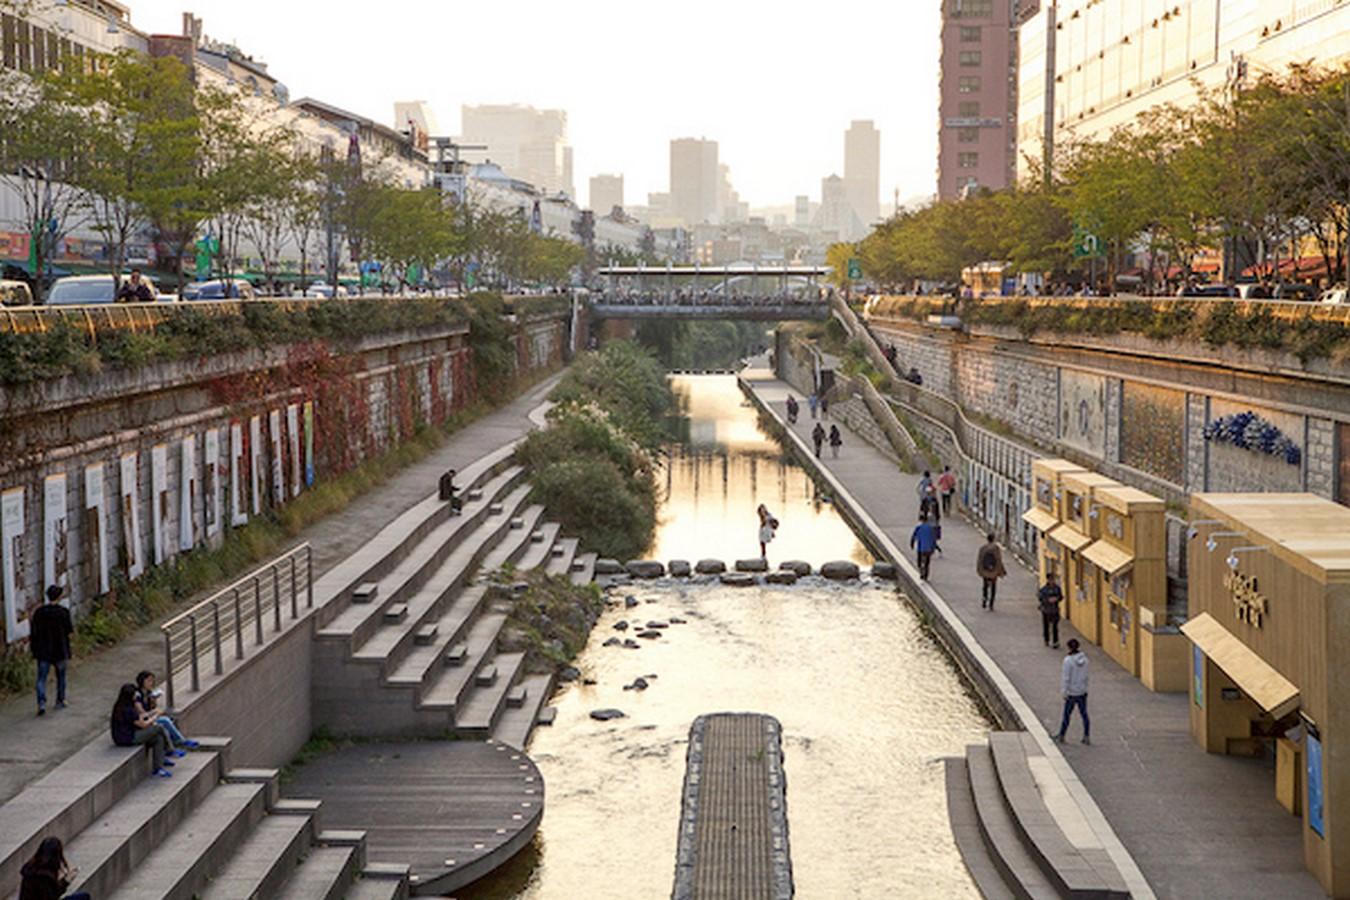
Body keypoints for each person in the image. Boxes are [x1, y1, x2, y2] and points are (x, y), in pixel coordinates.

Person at [110, 683, 173, 777]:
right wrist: (155, 717)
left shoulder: (121, 706)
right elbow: (143, 725)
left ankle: (158, 767)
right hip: (128, 738)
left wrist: (151, 713)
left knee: (158, 738)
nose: (136, 696)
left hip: (125, 735)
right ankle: (169, 749)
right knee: (158, 728)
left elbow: (139, 717)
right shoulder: (127, 710)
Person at [31, 584, 72, 717]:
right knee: (61, 677)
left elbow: (34, 632)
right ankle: (60, 700)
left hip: (43, 650)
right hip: (60, 649)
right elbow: (69, 630)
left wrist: (34, 648)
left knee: (41, 678)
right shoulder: (63, 612)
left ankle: (41, 703)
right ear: (59, 597)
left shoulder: (39, 613)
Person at [134, 671, 198, 752]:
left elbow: (152, 708)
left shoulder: (149, 693)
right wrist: (155, 714)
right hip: (142, 721)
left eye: (152, 681)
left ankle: (176, 742)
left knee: (170, 719)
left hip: (149, 718)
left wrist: (154, 700)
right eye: (149, 681)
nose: (151, 683)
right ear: (142, 681)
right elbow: (141, 712)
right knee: (165, 721)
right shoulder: (137, 695)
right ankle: (180, 742)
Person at [19, 836, 90, 900]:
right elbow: (53, 896)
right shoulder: (45, 876)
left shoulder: (30, 868)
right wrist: (66, 881)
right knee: (84, 897)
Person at [1056, 639, 1091, 745]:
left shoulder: (1068, 661)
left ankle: (1062, 735)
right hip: (1082, 691)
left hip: (1071, 692)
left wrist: (1064, 691)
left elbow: (1066, 678)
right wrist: (1085, 688)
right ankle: (1086, 736)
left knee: (1067, 715)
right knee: (1084, 714)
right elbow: (1086, 676)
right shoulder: (1085, 660)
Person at [976, 533, 1006, 610]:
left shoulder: (982, 548)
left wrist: (979, 570)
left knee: (985, 586)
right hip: (993, 571)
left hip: (985, 570)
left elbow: (980, 559)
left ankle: (984, 599)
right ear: (993, 539)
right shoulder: (996, 548)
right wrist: (1001, 571)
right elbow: (999, 560)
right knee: (993, 587)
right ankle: (991, 604)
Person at [910, 514, 939, 580]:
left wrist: (912, 544)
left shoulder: (919, 527)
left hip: (921, 548)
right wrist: (933, 547)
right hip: (929, 548)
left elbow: (913, 536)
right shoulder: (931, 528)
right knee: (927, 562)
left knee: (919, 561)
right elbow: (934, 539)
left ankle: (922, 572)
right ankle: (925, 574)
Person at [1038, 573, 1064, 649]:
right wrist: (1048, 600)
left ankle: (1055, 641)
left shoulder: (1057, 588)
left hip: (1055, 610)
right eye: (1051, 579)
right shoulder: (1044, 589)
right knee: (1046, 626)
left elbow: (1061, 597)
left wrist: (1057, 599)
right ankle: (1046, 639)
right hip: (1046, 610)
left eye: (1053, 579)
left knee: (1055, 626)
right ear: (1048, 580)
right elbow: (1040, 598)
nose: (1052, 581)